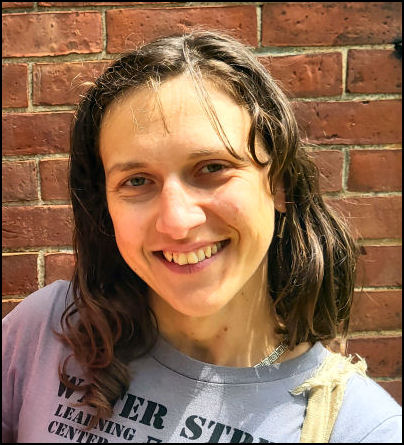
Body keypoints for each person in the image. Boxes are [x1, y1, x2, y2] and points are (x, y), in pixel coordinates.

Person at [2, 29, 401, 443]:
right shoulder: (46, 333)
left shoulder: (363, 429)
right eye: (136, 180)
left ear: (279, 182)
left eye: (212, 168)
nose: (177, 222)